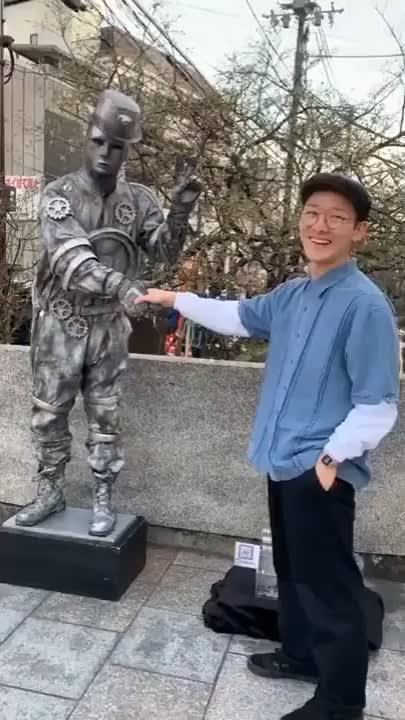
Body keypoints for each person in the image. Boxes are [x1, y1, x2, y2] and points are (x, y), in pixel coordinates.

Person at [131, 173, 400, 720]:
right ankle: (301, 655)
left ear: (360, 233)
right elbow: (237, 317)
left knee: (331, 587)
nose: (320, 225)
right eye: (312, 213)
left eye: (337, 218)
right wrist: (176, 299)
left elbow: (379, 403)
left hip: (319, 467)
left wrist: (330, 459)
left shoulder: (364, 305)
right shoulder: (293, 294)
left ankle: (340, 703)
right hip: (280, 460)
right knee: (295, 570)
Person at [15, 88, 201, 536]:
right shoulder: (58, 195)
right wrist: (124, 287)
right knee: (48, 413)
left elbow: (162, 255)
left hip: (108, 327)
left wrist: (178, 212)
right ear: (87, 138)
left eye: (116, 146)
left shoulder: (138, 200)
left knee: (105, 415)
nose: (105, 152)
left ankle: (103, 498)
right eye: (99, 141)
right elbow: (71, 259)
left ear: (127, 151)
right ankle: (49, 491)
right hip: (61, 320)